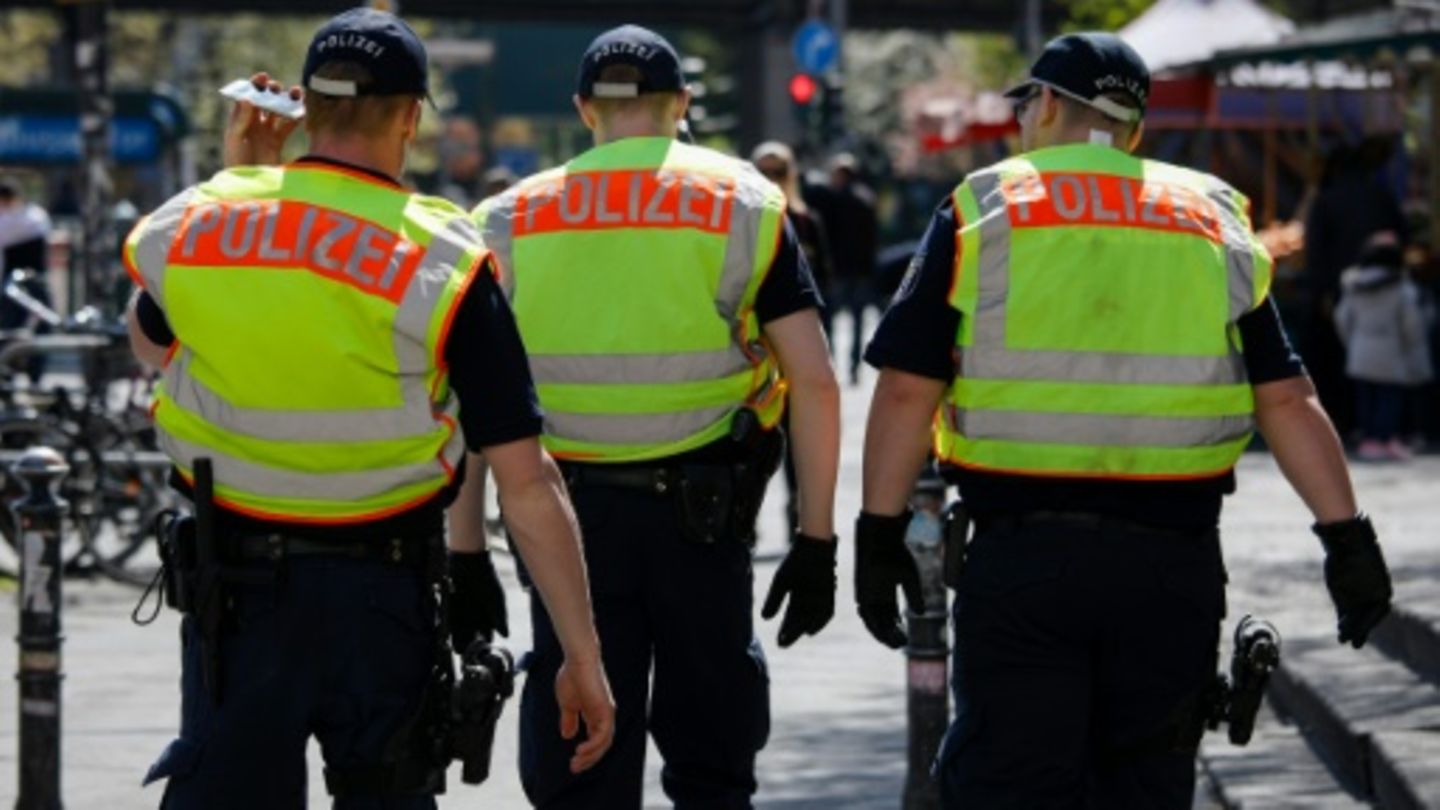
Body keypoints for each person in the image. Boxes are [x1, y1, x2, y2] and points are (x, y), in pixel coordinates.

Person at [855, 33, 1394, 809]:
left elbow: (908, 389)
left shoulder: (985, 204)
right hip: (1170, 568)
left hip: (1023, 565)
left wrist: (877, 534)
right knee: (1146, 784)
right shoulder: (1208, 214)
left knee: (1012, 784)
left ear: (1043, 105)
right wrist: (1349, 541)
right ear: (1135, 128)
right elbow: (1285, 398)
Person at [122, 9, 614, 807]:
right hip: (382, 603)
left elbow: (151, 342)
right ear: (413, 118)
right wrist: (582, 657)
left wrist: (242, 175)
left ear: (306, 111)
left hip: (235, 598)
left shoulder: (203, 221)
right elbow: (528, 481)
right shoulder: (442, 254)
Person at [467, 25, 841, 809]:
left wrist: (464, 550)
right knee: (712, 759)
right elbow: (814, 380)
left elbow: (473, 399)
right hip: (704, 520)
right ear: (682, 105)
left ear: (582, 109)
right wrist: (816, 539)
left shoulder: (507, 219)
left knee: (581, 756)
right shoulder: (742, 204)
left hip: (564, 522)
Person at [752, 140, 835, 535]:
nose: (771, 180)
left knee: (796, 434)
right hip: (751, 356)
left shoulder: (805, 223)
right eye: (763, 172)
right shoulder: (745, 225)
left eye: (778, 172)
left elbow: (825, 288)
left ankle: (798, 506)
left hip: (794, 352)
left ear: (791, 176)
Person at [1335, 232, 1434, 461]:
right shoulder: (1401, 287)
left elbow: (1342, 317)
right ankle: (1384, 439)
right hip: (1390, 349)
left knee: (1366, 398)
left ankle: (1368, 440)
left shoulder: (1353, 284)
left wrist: (1352, 342)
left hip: (1360, 348)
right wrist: (1410, 346)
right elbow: (1412, 323)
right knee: (1388, 399)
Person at [806, 152, 877, 385]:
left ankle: (832, 364)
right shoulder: (866, 199)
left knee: (830, 321)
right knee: (857, 321)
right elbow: (873, 237)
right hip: (861, 269)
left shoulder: (831, 200)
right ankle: (854, 367)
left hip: (838, 270)